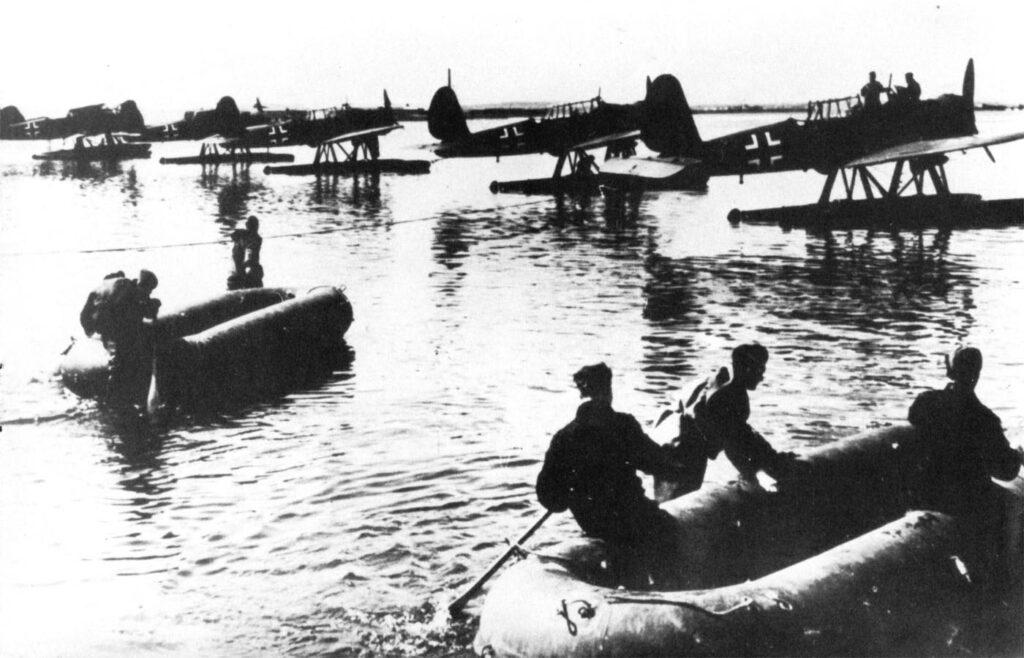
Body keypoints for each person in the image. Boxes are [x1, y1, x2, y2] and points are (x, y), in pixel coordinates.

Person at [536, 363, 685, 587]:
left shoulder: (563, 437)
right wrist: (674, 459)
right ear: (608, 391)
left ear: (581, 394)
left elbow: (551, 499)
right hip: (631, 516)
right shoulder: (624, 425)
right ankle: (669, 590)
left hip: (593, 522)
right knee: (667, 531)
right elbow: (658, 465)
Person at [659, 344, 800, 499]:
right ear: (745, 369)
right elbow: (732, 445)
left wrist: (772, 458)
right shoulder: (726, 396)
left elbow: (743, 433)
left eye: (763, 371)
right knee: (678, 498)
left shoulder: (733, 389)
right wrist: (754, 474)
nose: (761, 377)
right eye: (759, 371)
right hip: (680, 445)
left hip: (686, 439)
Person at [907, 346, 1022, 514]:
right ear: (976, 375)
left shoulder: (925, 402)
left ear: (951, 370)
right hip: (966, 504)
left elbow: (915, 421)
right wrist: (1018, 456)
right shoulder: (985, 419)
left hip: (926, 496)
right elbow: (1005, 471)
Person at [79, 269, 161, 404]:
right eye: (149, 291)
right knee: (119, 363)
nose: (149, 294)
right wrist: (152, 307)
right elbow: (135, 313)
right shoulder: (130, 292)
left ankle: (118, 397)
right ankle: (113, 402)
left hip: (99, 321)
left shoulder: (122, 286)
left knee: (124, 355)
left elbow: (86, 314)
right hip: (109, 325)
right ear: (144, 285)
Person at [228, 215, 264, 289]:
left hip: (248, 270)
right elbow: (233, 236)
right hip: (239, 270)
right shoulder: (244, 235)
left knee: (255, 272)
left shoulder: (256, 239)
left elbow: (250, 256)